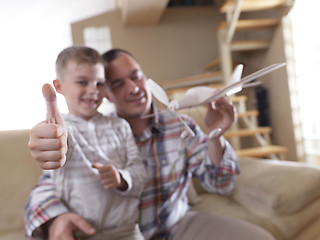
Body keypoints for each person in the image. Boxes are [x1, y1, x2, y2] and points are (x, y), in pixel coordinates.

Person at [26, 48, 275, 240]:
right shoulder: (90, 134)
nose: (133, 88)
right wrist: (56, 219)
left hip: (176, 226)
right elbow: (49, 185)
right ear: (108, 96)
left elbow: (221, 184)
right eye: (118, 84)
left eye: (136, 77)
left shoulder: (179, 125)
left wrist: (216, 134)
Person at [25, 46, 147, 240]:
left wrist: (121, 178)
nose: (93, 90)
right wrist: (54, 141)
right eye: (83, 82)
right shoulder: (62, 129)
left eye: (99, 83)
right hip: (80, 234)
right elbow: (64, 147)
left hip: (127, 232)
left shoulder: (120, 126)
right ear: (59, 87)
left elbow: (140, 174)